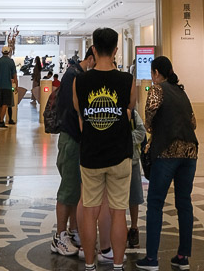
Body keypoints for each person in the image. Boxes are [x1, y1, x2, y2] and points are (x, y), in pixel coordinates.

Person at [74, 27, 136, 271]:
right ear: (116, 51)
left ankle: (90, 265)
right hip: (120, 154)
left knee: (89, 211)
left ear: (93, 49)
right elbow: (129, 110)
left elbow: (80, 114)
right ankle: (118, 265)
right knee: (119, 211)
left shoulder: (80, 80)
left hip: (90, 155)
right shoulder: (127, 81)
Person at [136, 56, 198, 271]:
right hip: (190, 152)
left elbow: (149, 121)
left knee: (155, 203)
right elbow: (194, 122)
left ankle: (152, 259)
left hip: (166, 152)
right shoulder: (182, 92)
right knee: (184, 203)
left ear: (155, 73)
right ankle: (183, 257)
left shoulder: (157, 89)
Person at [51, 46, 95, 257]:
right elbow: (75, 110)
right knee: (68, 190)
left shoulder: (78, 75)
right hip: (71, 140)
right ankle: (59, 236)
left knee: (77, 190)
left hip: (77, 141)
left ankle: (74, 230)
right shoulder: (73, 76)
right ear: (91, 59)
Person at [127, 107, 146, 250]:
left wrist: (125, 139)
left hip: (132, 160)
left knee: (134, 196)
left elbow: (141, 132)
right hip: (114, 161)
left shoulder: (133, 113)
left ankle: (134, 228)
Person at [0, 45, 17, 129]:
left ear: (2, 52)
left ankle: (1, 121)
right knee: (5, 105)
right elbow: (14, 75)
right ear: (9, 52)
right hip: (7, 86)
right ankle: (1, 122)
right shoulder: (11, 62)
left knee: (0, 105)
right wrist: (16, 85)